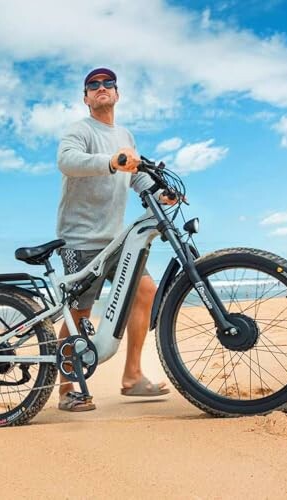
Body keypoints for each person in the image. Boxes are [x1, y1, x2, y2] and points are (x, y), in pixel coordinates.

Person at [56, 67, 176, 411]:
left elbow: (135, 176)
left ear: (117, 94)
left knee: (146, 292)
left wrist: (160, 192)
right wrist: (111, 161)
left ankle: (132, 377)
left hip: (116, 238)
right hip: (79, 238)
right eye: (93, 85)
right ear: (86, 98)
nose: (101, 88)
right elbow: (68, 162)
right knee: (79, 313)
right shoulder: (79, 131)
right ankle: (66, 390)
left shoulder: (125, 135)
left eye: (108, 83)